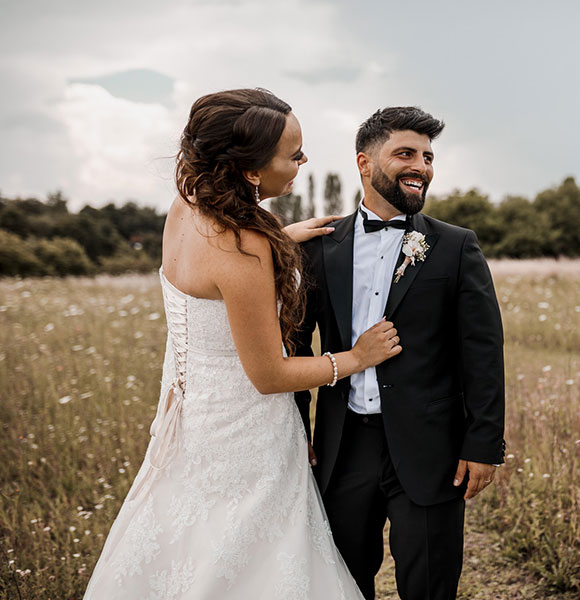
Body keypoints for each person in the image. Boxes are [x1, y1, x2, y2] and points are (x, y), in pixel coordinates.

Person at [83, 88, 398, 599]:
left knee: (188, 546)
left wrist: (280, 237)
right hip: (246, 434)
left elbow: (211, 282)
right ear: (251, 170)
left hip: (194, 424)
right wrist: (355, 358)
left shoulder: (187, 207)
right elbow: (270, 375)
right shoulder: (242, 247)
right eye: (293, 155)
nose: (304, 160)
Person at [294, 106, 506, 600]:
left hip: (431, 446)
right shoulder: (319, 247)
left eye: (429, 157)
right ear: (365, 164)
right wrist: (295, 429)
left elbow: (482, 349)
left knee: (430, 583)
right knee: (343, 581)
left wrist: (483, 444)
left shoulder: (456, 247)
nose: (422, 167)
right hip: (343, 445)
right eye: (406, 153)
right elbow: (297, 345)